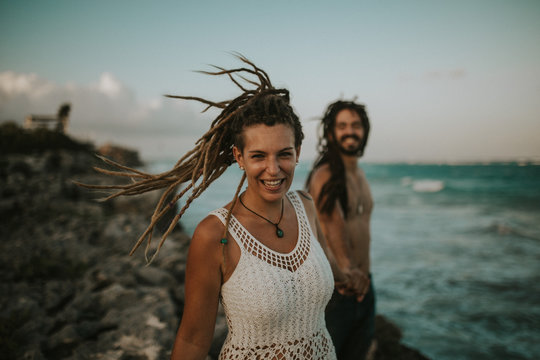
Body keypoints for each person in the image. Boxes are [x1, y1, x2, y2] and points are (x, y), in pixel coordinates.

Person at [79, 56, 360, 359]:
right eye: (258, 156)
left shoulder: (305, 205)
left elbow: (320, 265)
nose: (274, 169)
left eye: (284, 154)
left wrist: (348, 275)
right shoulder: (215, 234)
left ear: (298, 152)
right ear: (239, 157)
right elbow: (192, 340)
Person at [306, 100, 375, 360]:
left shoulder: (359, 175)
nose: (350, 131)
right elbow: (329, 224)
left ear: (364, 130)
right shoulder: (325, 174)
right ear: (331, 132)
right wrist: (347, 271)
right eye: (342, 125)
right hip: (339, 290)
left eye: (356, 125)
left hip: (364, 287)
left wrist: (360, 278)